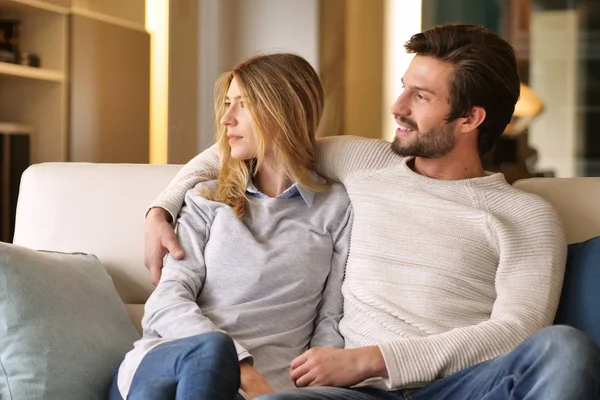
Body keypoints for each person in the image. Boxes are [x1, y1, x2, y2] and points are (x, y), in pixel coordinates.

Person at [145, 24, 600, 400]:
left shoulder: (526, 216)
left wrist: (374, 358)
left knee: (565, 348)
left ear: (470, 119)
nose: (396, 108)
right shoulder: (364, 161)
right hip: (354, 395)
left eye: (420, 97)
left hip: (463, 388)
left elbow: (517, 331)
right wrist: (161, 208)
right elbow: (258, 142)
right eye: (404, 88)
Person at [111, 53, 352, 400]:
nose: (226, 119)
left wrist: (308, 391)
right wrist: (240, 369)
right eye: (227, 104)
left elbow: (331, 321)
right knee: (212, 350)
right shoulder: (206, 198)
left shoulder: (337, 207)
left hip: (271, 388)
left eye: (243, 104)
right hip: (168, 371)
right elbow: (165, 302)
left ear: (283, 110)